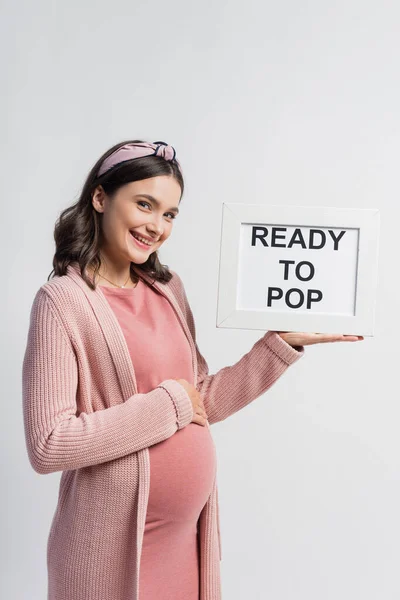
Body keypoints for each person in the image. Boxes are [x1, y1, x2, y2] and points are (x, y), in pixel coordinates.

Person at [21, 139, 364, 600]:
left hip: (185, 544)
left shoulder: (167, 288)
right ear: (100, 198)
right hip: (112, 550)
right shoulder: (62, 302)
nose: (157, 226)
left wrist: (279, 345)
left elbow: (199, 397)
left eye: (169, 214)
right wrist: (169, 404)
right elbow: (50, 443)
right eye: (145, 204)